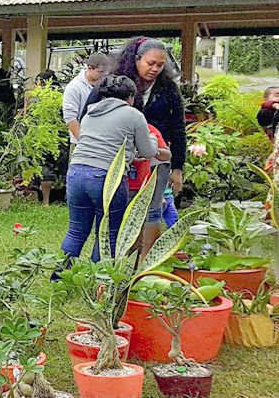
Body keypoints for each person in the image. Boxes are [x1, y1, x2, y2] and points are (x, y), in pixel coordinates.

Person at [61, 74, 168, 262]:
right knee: (107, 235)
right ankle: (97, 283)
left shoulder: (89, 113)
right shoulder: (133, 115)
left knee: (76, 232)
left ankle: (59, 280)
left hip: (76, 173)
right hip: (106, 177)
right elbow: (148, 151)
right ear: (130, 97)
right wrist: (151, 137)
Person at [93, 38, 187, 251]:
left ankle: (147, 262)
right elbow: (89, 113)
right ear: (136, 59)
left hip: (158, 158)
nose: (155, 69)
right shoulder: (116, 84)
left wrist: (178, 168)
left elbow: (178, 128)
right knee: (125, 208)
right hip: (121, 160)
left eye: (160, 65)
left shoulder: (168, 88)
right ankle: (125, 255)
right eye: (150, 63)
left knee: (153, 209)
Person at [62, 53, 113, 143]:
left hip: (103, 140)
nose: (103, 75)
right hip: (80, 142)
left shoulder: (106, 84)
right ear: (89, 68)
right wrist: (83, 142)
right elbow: (70, 118)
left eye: (105, 72)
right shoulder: (74, 87)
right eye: (100, 72)